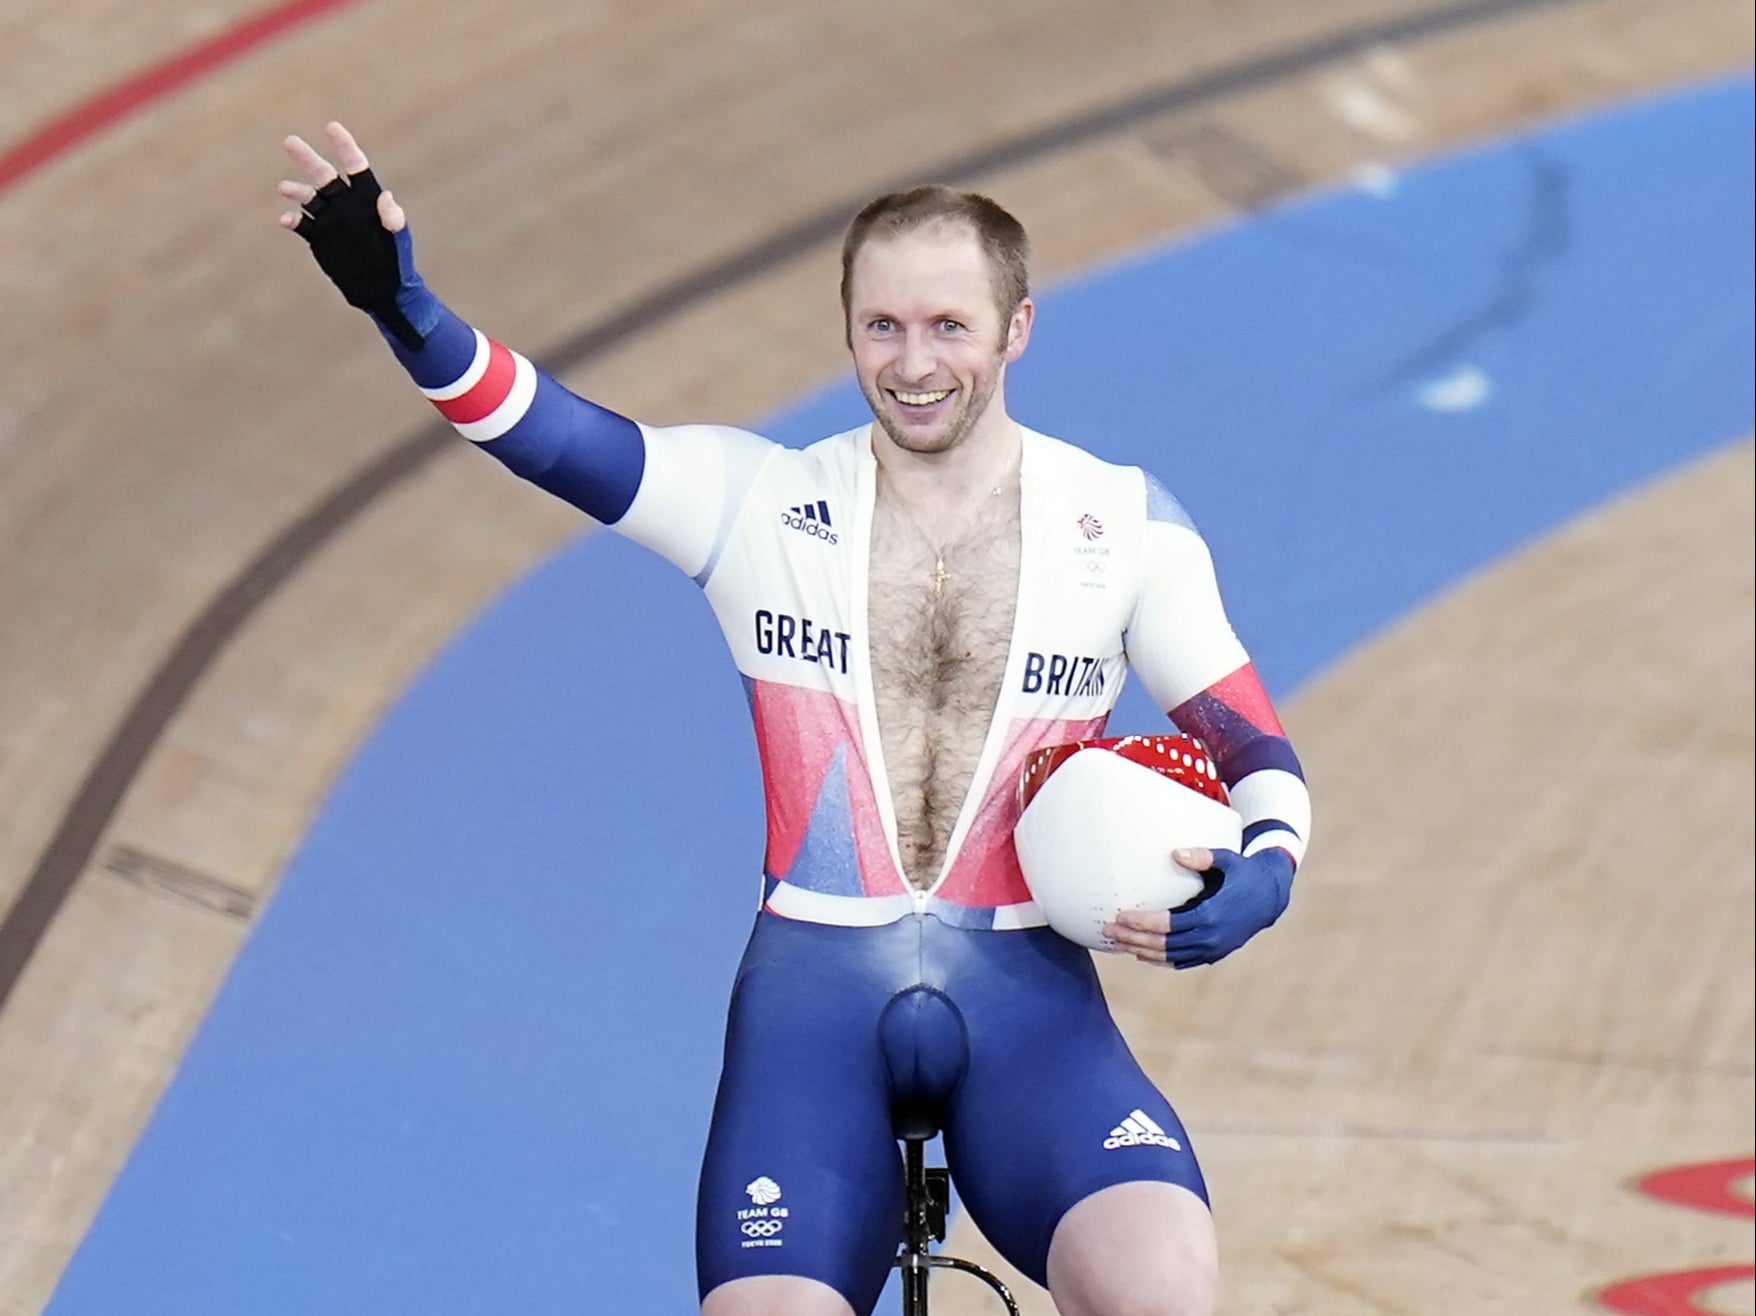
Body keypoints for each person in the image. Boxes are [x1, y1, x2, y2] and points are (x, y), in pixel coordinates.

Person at [276, 121, 1311, 1316]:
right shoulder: (757, 503)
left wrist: (1271, 864)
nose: (913, 361)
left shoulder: (1122, 521)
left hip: (1032, 1010)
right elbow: (547, 431)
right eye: (883, 324)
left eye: (948, 325)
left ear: (1015, 328)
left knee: (1164, 1293)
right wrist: (408, 313)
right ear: (848, 329)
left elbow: (1247, 741)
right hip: (812, 1014)